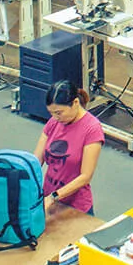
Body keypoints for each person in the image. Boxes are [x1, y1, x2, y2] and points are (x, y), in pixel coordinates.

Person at [34, 82, 104, 215]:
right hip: (48, 200)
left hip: (75, 206)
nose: (55, 117)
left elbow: (85, 176)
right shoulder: (54, 122)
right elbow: (36, 160)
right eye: (52, 113)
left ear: (75, 103)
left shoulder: (92, 128)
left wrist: (54, 196)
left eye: (59, 113)